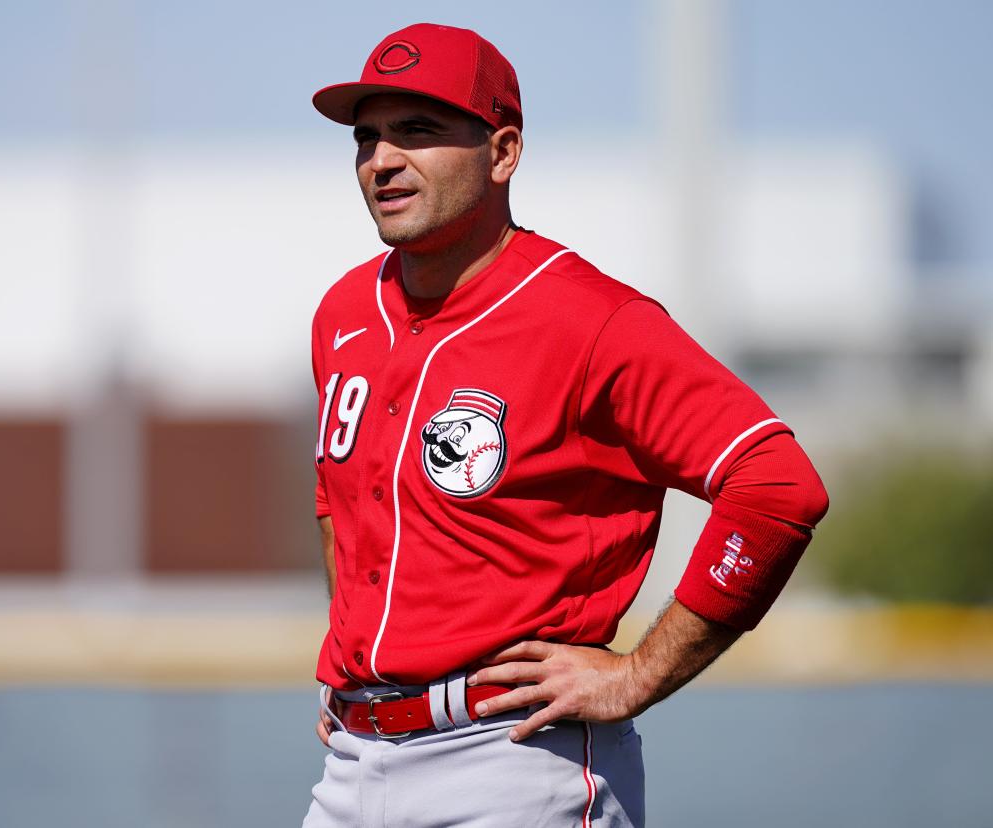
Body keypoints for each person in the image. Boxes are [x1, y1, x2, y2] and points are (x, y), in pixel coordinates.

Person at [303, 22, 828, 827]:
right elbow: (345, 508)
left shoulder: (592, 320)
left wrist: (638, 674)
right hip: (352, 759)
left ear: (503, 151)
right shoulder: (344, 310)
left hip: (511, 761)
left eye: (418, 131)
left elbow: (778, 488)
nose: (381, 159)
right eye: (367, 137)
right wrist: (364, 668)